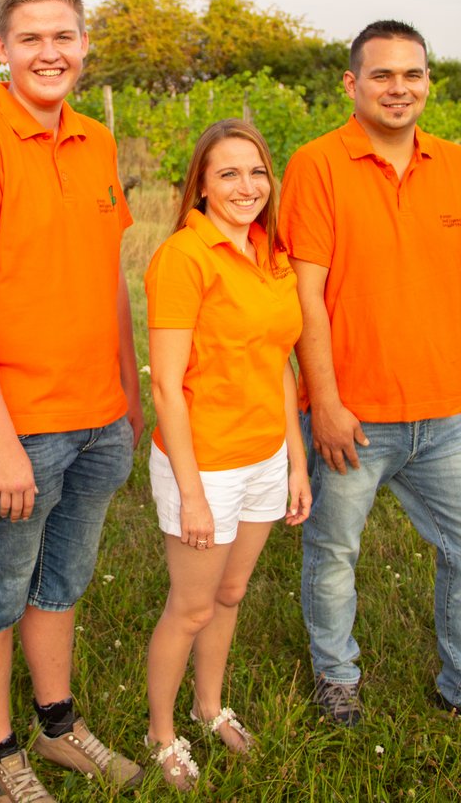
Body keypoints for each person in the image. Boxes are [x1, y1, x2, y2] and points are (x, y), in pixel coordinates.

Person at [0, 0, 144, 802]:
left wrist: (128, 394)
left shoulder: (96, 141)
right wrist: (2, 441)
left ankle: (57, 727)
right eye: (30, 39)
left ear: (84, 44)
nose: (49, 53)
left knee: (62, 584)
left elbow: (110, 276)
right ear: (1, 49)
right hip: (12, 428)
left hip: (97, 418)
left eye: (62, 36)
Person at [279, 20, 461, 726]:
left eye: (412, 74)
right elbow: (306, 296)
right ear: (352, 83)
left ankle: (457, 684)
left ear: (428, 82)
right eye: (382, 74)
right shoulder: (318, 165)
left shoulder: (453, 163)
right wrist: (324, 402)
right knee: (333, 552)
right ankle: (337, 677)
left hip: (445, 410)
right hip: (353, 412)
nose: (399, 88)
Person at [144, 119, 311, 791]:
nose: (247, 186)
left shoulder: (271, 253)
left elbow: (279, 362)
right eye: (229, 174)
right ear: (202, 186)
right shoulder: (184, 257)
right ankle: (161, 735)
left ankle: (208, 707)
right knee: (191, 607)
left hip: (265, 453)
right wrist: (191, 494)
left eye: (257, 171)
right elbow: (165, 385)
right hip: (205, 462)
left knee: (232, 592)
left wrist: (296, 461)